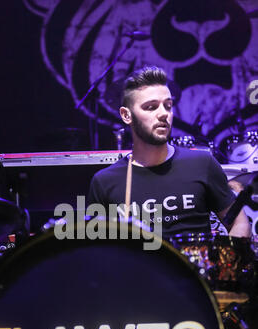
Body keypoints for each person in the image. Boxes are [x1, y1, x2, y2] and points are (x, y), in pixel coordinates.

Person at [87, 66, 251, 239]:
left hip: (195, 265)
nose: (163, 114)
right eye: (151, 107)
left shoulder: (202, 164)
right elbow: (97, 251)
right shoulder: (105, 181)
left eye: (168, 106)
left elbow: (239, 223)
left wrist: (225, 261)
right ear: (126, 115)